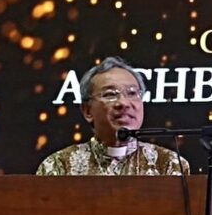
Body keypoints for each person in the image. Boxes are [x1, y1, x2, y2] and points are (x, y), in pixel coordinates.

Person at [37, 56, 188, 176]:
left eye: (132, 93)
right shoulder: (59, 165)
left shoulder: (169, 164)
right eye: (110, 94)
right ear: (87, 111)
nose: (123, 103)